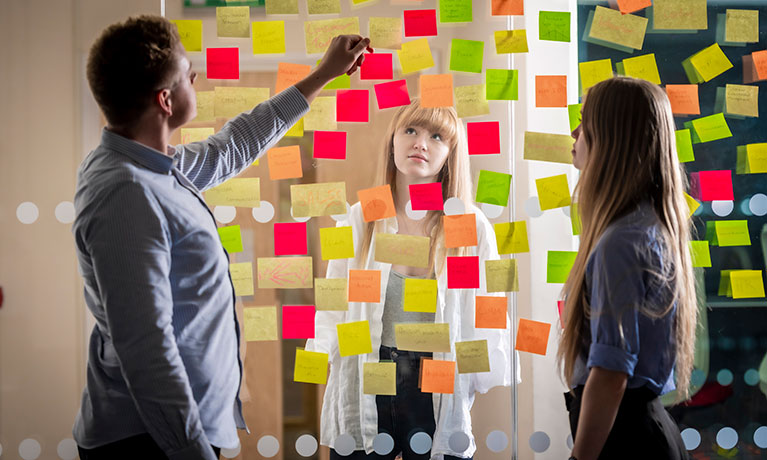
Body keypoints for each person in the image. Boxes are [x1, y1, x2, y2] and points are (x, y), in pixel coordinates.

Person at [72, 15, 371, 460]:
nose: (195, 76)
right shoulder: (126, 193)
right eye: (186, 72)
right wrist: (192, 450)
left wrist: (322, 75)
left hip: (174, 432)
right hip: (151, 441)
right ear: (165, 100)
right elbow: (146, 348)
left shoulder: (156, 166)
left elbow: (233, 146)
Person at [305, 99, 515, 460]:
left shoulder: (470, 224)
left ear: (450, 155)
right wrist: (321, 358)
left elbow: (489, 309)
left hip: (435, 378)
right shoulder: (361, 216)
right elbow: (332, 300)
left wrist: (476, 379)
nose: (420, 143)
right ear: (393, 142)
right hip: (367, 374)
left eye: (436, 137)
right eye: (411, 131)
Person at [558, 76, 697, 460]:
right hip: (646, 433)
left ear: (611, 138)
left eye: (585, 120)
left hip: (626, 442)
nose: (575, 130)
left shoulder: (621, 241)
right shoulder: (647, 227)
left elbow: (610, 374)